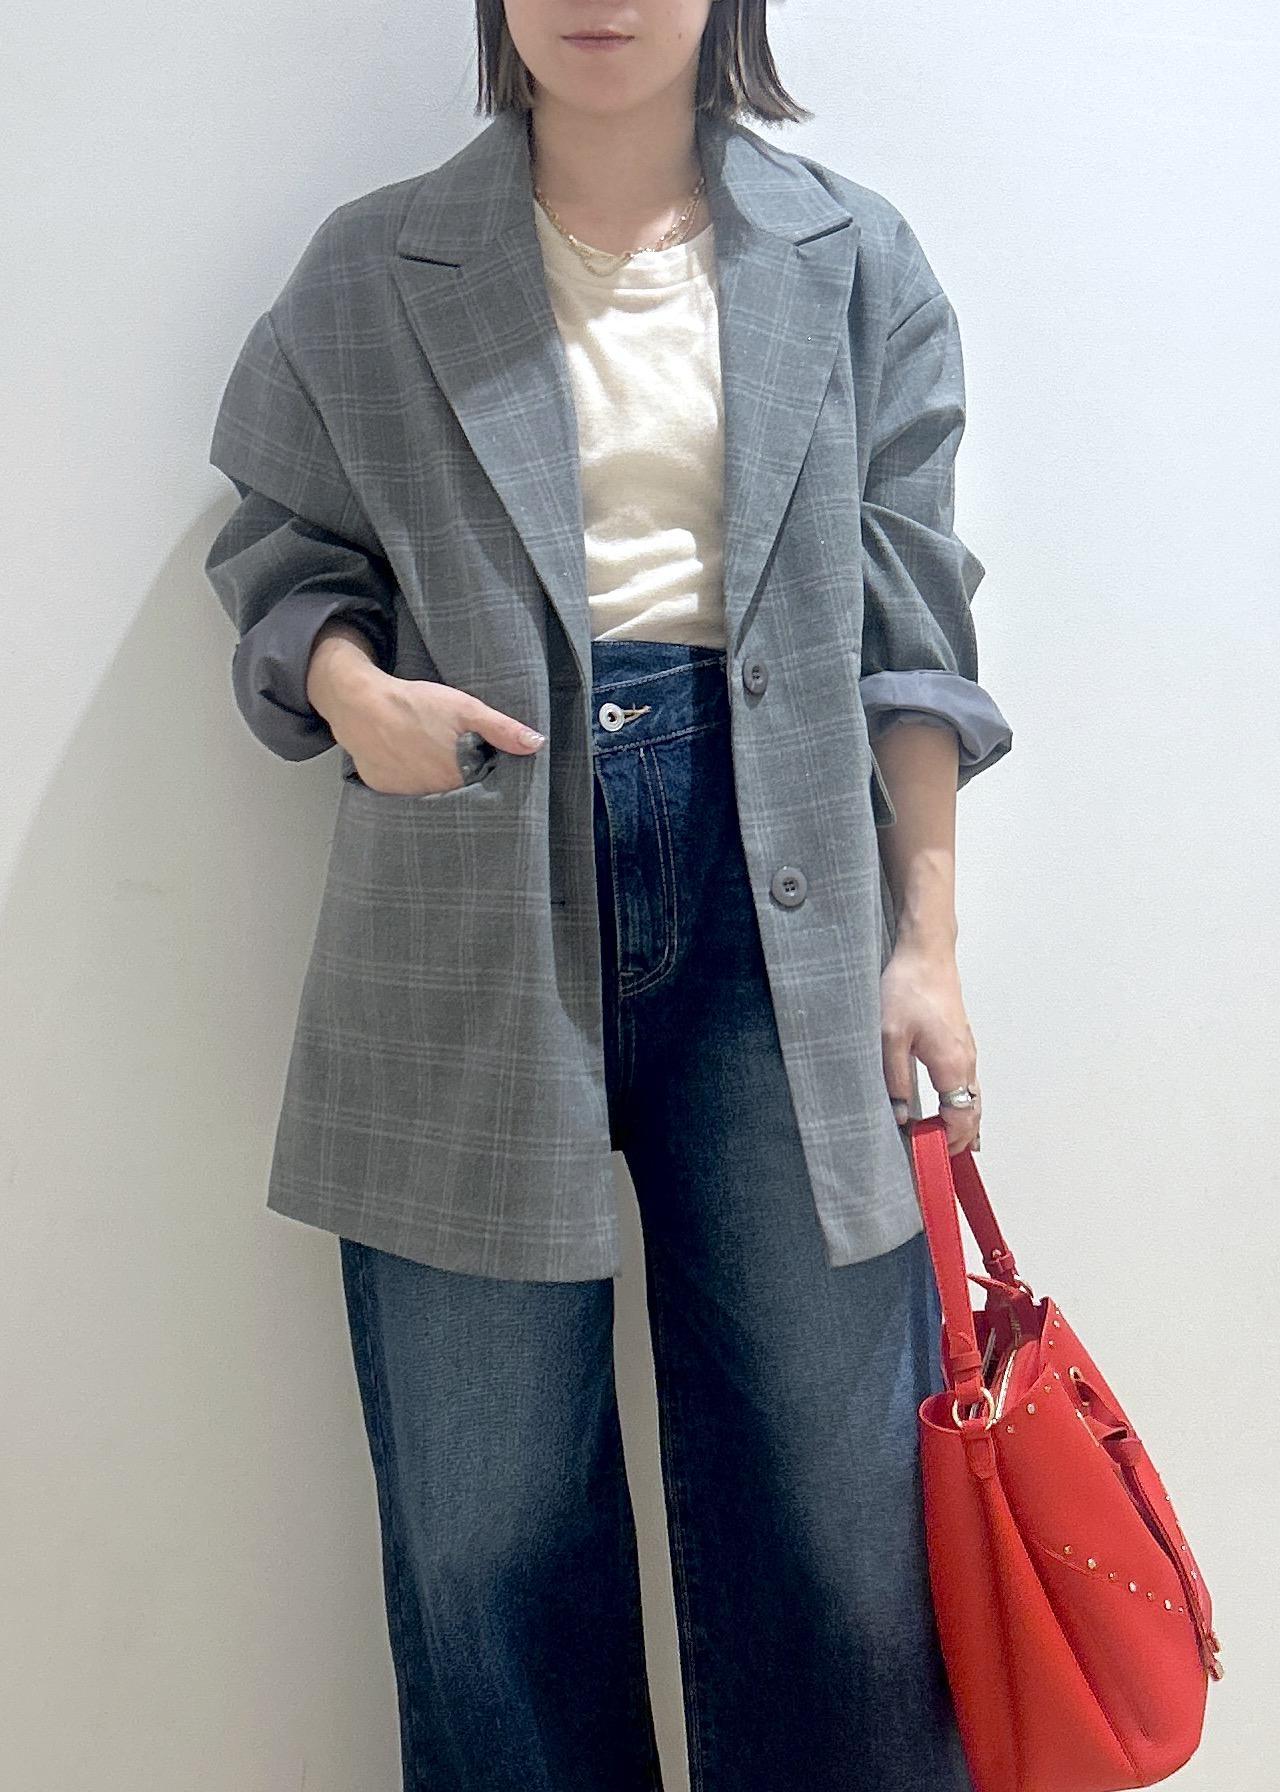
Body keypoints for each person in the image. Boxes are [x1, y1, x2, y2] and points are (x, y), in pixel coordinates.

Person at [204, 3, 1013, 1786]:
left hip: (785, 898)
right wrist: (357, 692)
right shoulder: (376, 264)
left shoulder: (852, 257)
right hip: (468, 896)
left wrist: (928, 944)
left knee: (839, 1509)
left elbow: (916, 633)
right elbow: (275, 545)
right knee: (484, 1522)